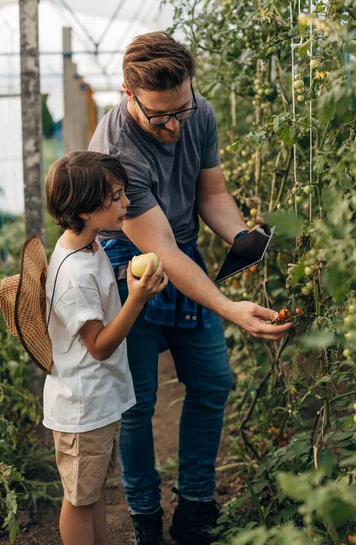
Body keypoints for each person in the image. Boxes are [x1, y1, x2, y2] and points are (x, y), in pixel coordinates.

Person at [89, 31, 291, 545]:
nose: (176, 124)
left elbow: (213, 192)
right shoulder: (115, 154)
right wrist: (229, 307)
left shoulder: (195, 112)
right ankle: (145, 515)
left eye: (183, 108)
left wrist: (244, 237)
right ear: (127, 94)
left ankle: (196, 505)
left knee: (213, 380)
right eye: (161, 118)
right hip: (126, 262)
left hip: (180, 250)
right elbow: (161, 252)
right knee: (138, 402)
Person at [44, 151, 168, 545]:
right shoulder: (75, 274)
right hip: (82, 406)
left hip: (97, 401)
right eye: (115, 197)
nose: (126, 203)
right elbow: (97, 346)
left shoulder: (89, 247)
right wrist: (137, 298)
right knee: (79, 501)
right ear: (84, 208)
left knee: (91, 493)